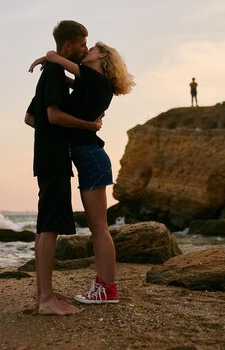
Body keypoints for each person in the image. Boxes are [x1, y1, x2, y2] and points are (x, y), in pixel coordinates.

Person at [29, 41, 134, 305]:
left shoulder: (95, 79)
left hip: (90, 156)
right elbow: (64, 80)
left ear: (102, 57)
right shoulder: (93, 84)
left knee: (99, 228)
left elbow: (56, 58)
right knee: (100, 228)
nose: (87, 51)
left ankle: (107, 288)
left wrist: (48, 57)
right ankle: (106, 287)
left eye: (92, 49)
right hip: (89, 157)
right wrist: (51, 68)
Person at [24, 20, 102, 316]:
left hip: (46, 155)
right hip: (54, 158)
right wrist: (89, 125)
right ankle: (46, 300)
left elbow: (31, 118)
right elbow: (53, 116)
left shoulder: (50, 73)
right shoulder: (55, 71)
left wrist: (50, 133)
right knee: (50, 226)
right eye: (83, 44)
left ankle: (44, 292)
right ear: (67, 46)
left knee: (46, 223)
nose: (85, 48)